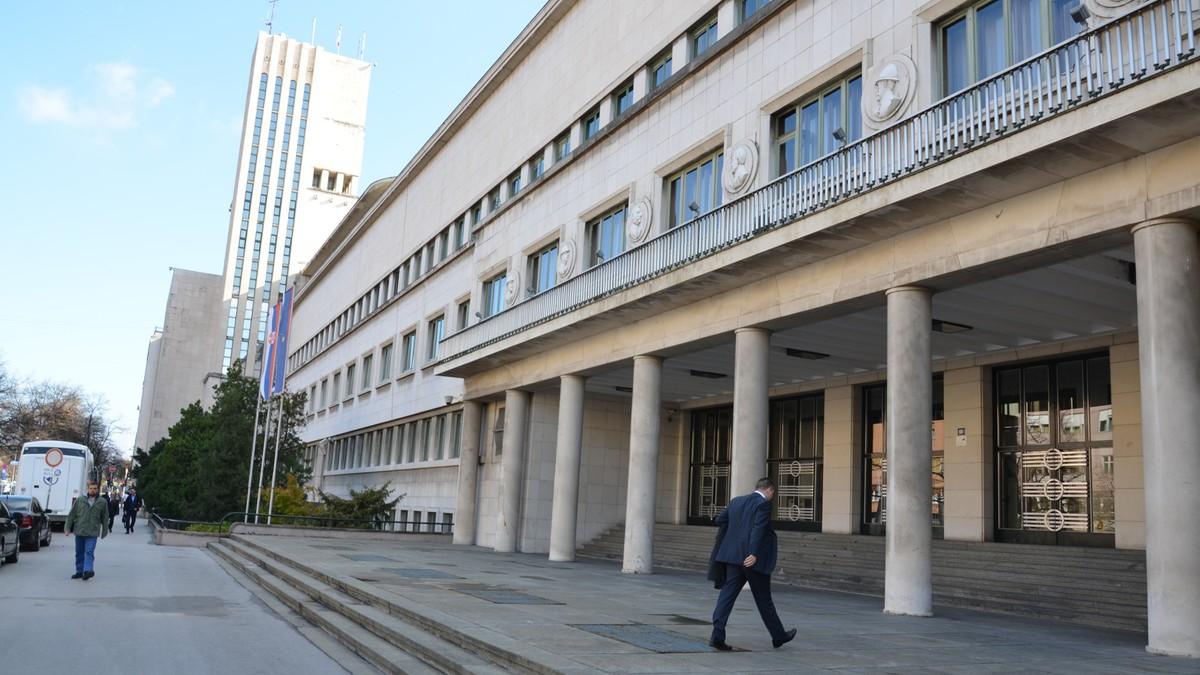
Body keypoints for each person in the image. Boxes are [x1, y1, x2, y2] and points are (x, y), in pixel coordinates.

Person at [708, 477, 796, 651]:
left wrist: (736, 529)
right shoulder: (763, 504)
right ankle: (779, 636)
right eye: (772, 493)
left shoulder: (736, 501)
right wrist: (753, 553)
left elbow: (719, 520)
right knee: (764, 600)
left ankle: (717, 636)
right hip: (751, 560)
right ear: (769, 490)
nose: (772, 496)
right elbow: (758, 529)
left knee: (727, 596)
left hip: (733, 557)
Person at [65, 482, 110, 580]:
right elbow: (72, 514)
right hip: (80, 530)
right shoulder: (80, 500)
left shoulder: (102, 502)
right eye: (91, 488)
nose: (93, 490)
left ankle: (88, 571)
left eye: (95, 488)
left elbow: (105, 517)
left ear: (97, 490)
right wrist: (67, 528)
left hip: (92, 532)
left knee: (89, 551)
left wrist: (104, 531)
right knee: (79, 552)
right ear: (88, 489)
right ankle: (79, 571)